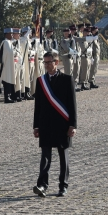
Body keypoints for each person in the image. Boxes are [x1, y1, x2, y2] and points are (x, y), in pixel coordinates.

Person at [32, 51, 77, 198]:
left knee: (63, 156)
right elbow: (37, 105)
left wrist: (73, 124)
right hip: (45, 124)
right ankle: (42, 185)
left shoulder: (67, 79)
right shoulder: (41, 81)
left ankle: (63, 185)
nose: (46, 65)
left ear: (56, 62)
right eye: (44, 62)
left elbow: (72, 104)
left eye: (49, 62)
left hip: (62, 123)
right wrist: (36, 126)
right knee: (45, 156)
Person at [0, 28, 16, 103]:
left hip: (10, 65)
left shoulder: (10, 42)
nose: (12, 35)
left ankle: (11, 96)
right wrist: (3, 65)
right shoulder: (5, 42)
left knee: (10, 80)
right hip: (5, 66)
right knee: (6, 81)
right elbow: (2, 55)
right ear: (6, 34)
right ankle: (7, 97)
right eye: (10, 33)